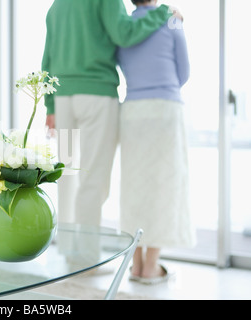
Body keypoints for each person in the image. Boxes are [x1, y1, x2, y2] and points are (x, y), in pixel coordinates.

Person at [42, 0, 178, 228]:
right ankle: (86, 260)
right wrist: (163, 12)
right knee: (92, 179)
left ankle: (67, 255)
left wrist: (50, 106)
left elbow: (47, 58)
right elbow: (124, 34)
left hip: (62, 98)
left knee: (64, 175)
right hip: (97, 95)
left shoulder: (58, 5)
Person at [117, 0, 195, 284]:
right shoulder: (172, 20)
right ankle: (151, 266)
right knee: (164, 185)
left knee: (134, 185)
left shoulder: (124, 23)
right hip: (165, 108)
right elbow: (183, 71)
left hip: (133, 110)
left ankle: (135, 265)